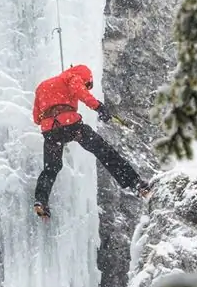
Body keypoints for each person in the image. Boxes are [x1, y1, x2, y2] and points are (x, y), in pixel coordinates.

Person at [31, 64, 149, 218]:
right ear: (84, 76)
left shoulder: (42, 86)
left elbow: (36, 118)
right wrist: (99, 107)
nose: (86, 86)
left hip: (50, 132)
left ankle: (41, 201)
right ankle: (136, 184)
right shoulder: (72, 77)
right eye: (87, 83)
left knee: (51, 168)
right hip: (71, 125)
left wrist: (53, 113)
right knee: (104, 151)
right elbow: (80, 92)